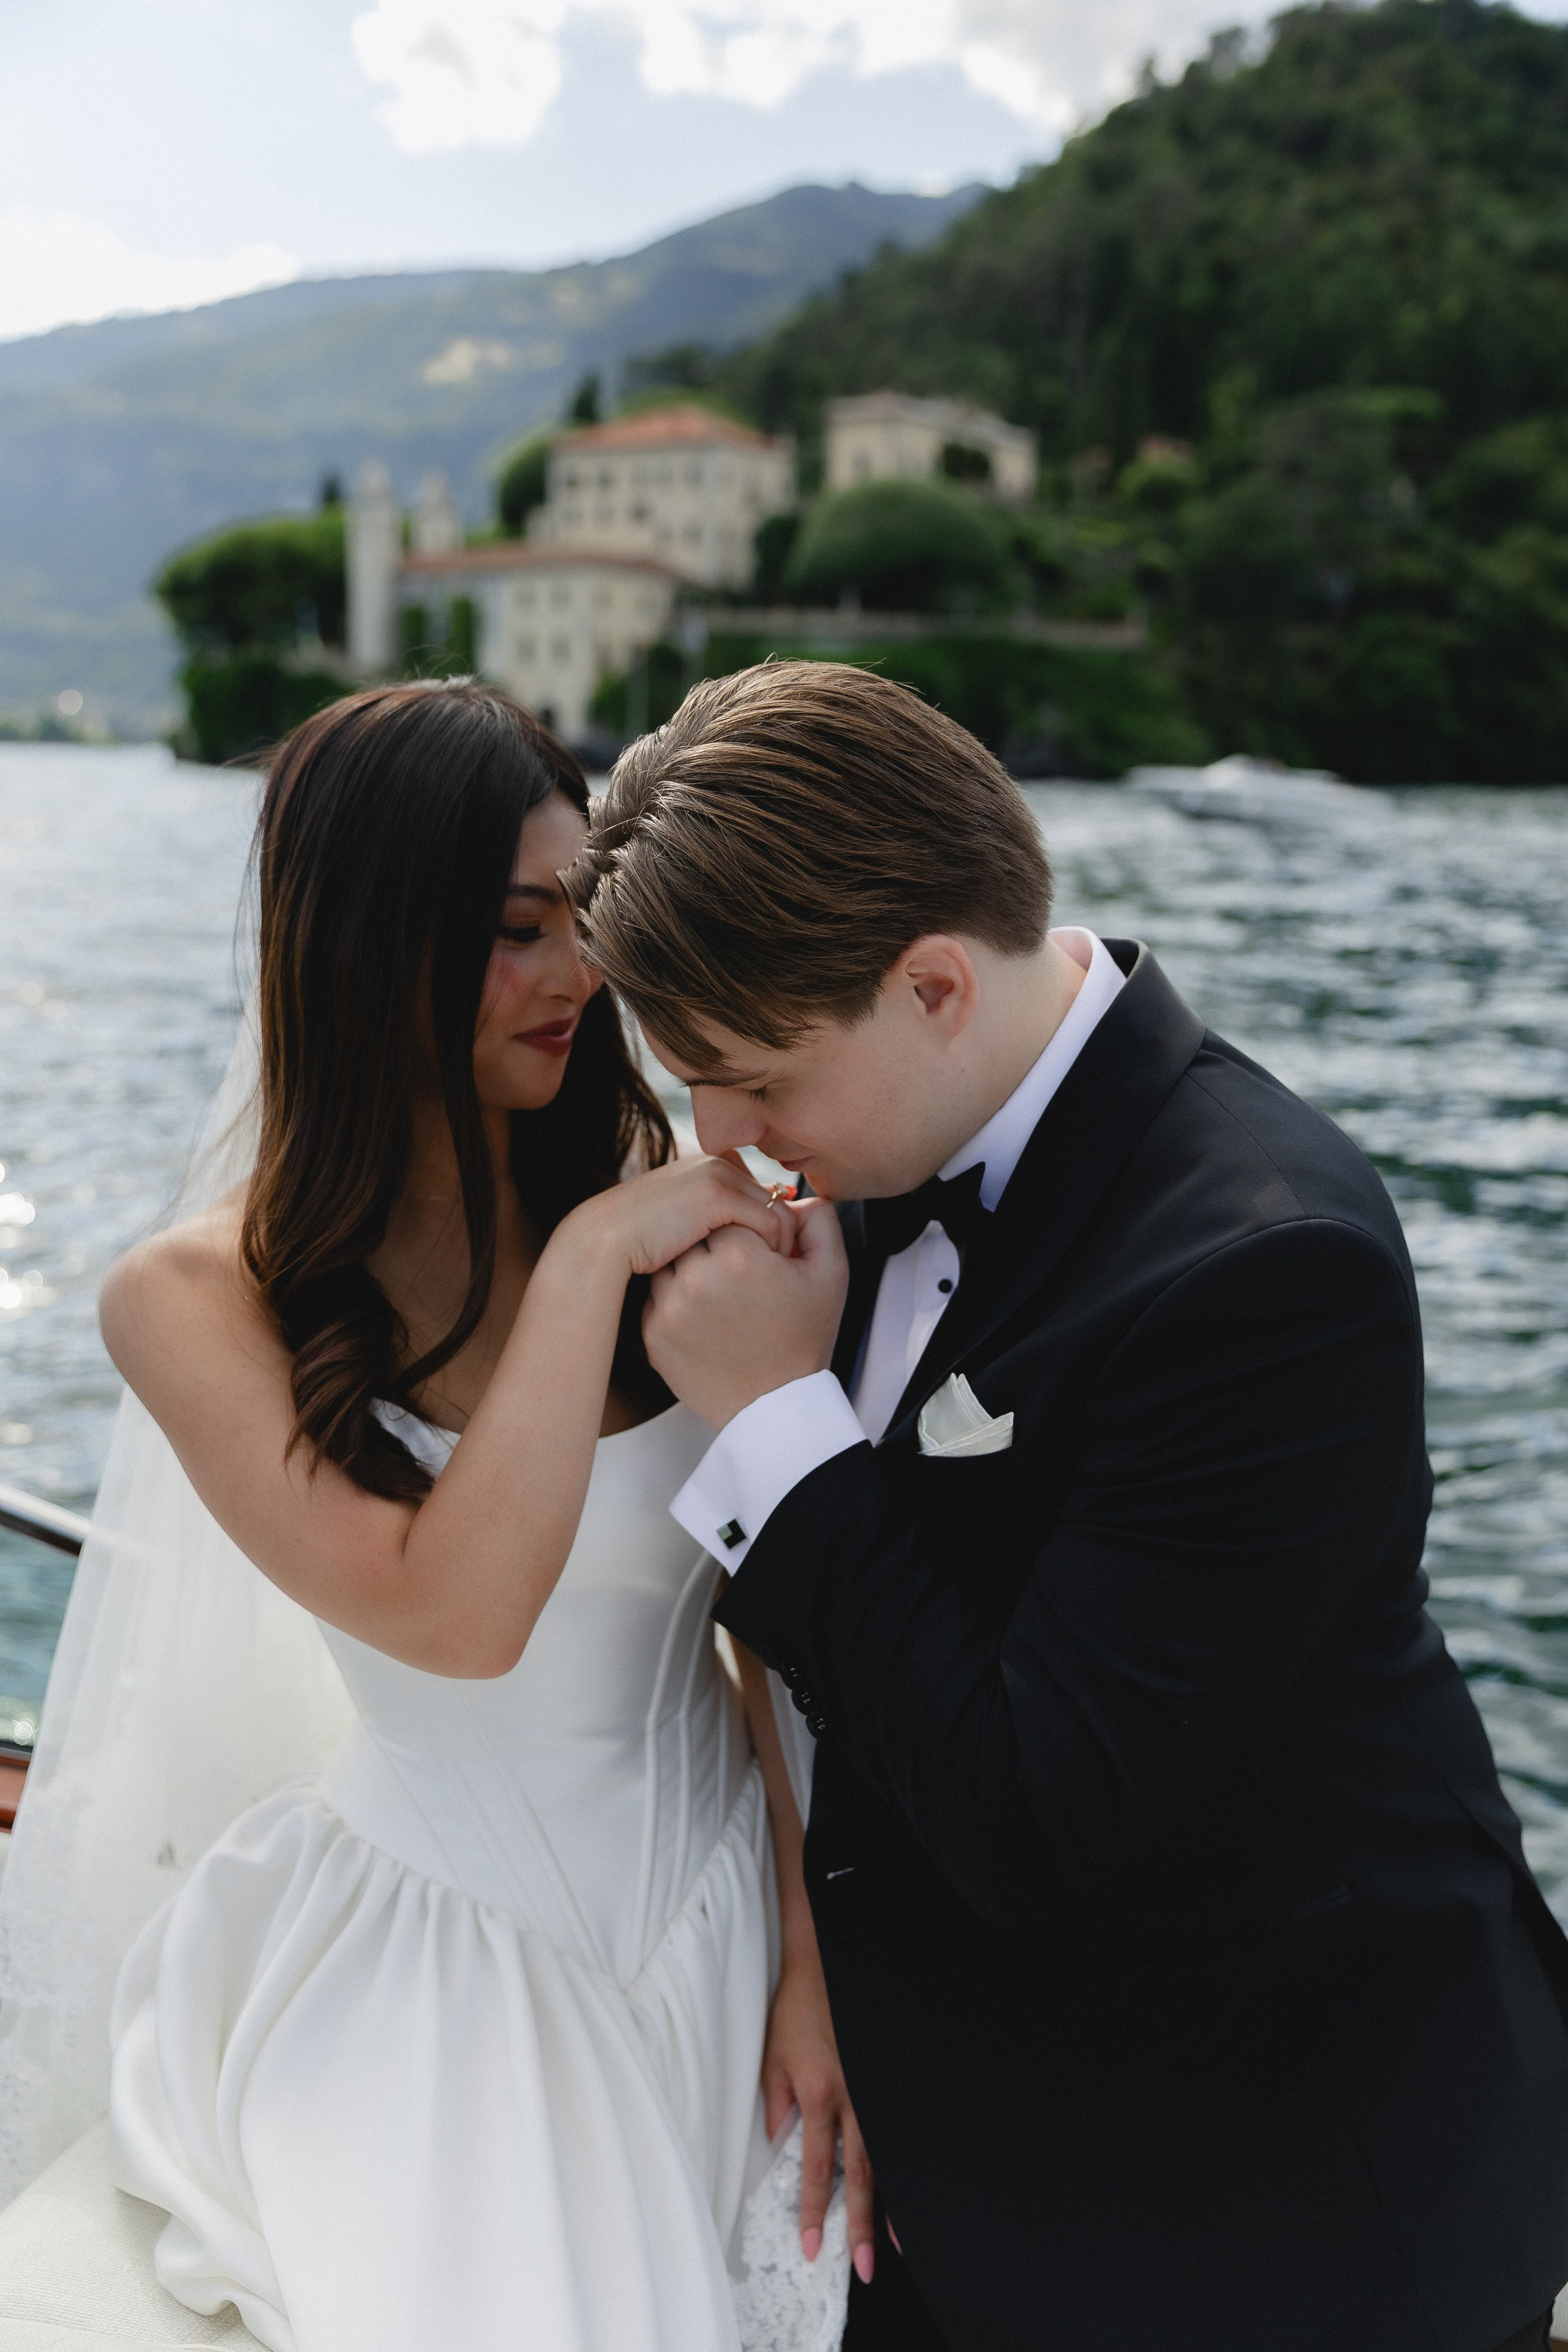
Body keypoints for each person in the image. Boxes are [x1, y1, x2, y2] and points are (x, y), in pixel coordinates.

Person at [571, 659, 1568, 2352]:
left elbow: (1042, 1807)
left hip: (1277, 2189)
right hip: (940, 2150)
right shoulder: (875, 1149)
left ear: (937, 984)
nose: (724, 1139)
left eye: (751, 1075)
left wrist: (779, 1424)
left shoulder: (1269, 1264)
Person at [13, 681, 869, 2351]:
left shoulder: (645, 1198)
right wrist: (589, 1259)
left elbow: (769, 1636)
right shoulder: (194, 1301)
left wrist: (816, 1968)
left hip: (723, 1921)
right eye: (513, 930)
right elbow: (454, 1618)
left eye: (582, 922)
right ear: (363, 944)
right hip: (453, 1974)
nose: (579, 977)